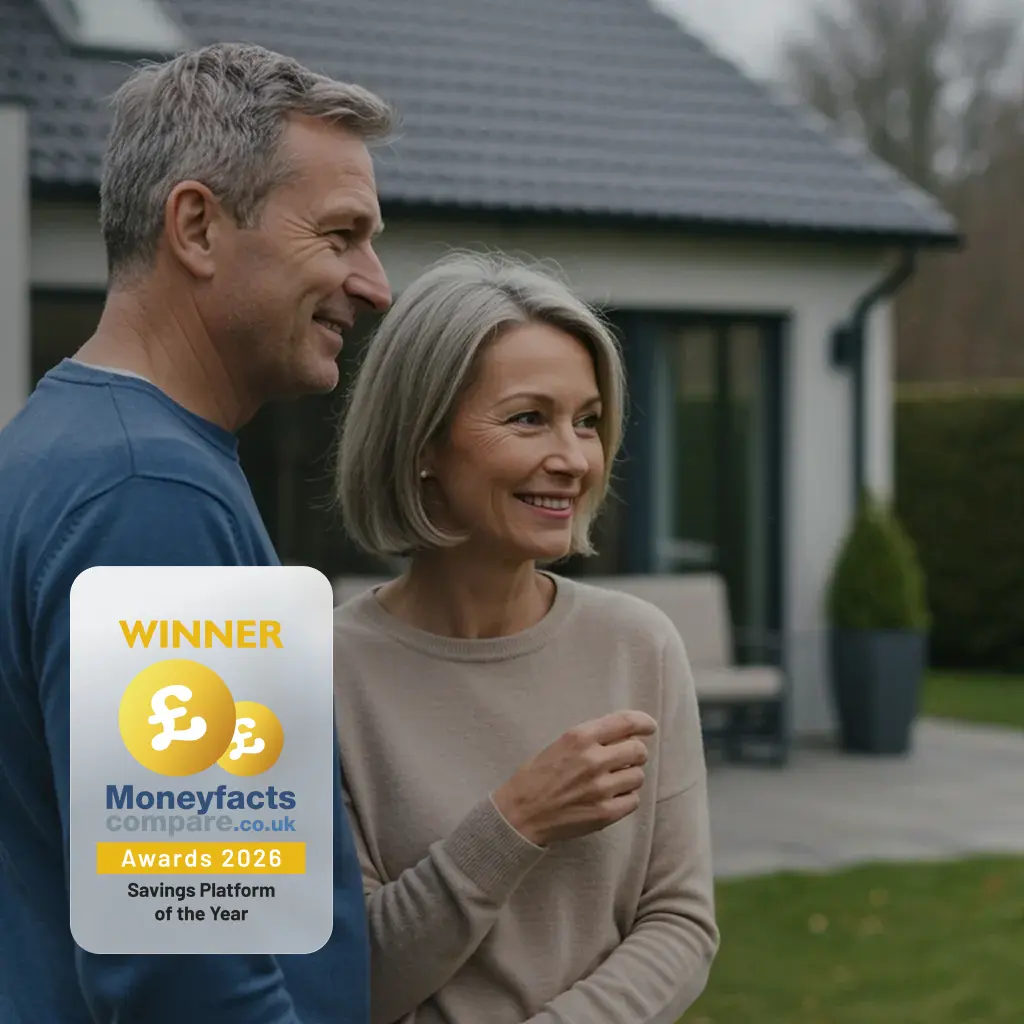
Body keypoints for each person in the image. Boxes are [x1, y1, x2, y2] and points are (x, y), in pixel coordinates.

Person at [0, 42, 394, 1024]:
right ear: (198, 226)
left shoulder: (59, 441)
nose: (374, 283)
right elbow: (185, 963)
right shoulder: (150, 490)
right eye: (341, 235)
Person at [332, 252, 720, 1024]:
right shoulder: (320, 671)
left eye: (586, 421)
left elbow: (680, 924)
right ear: (420, 446)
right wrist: (515, 821)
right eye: (527, 418)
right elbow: (353, 982)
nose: (573, 459)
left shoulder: (637, 647)